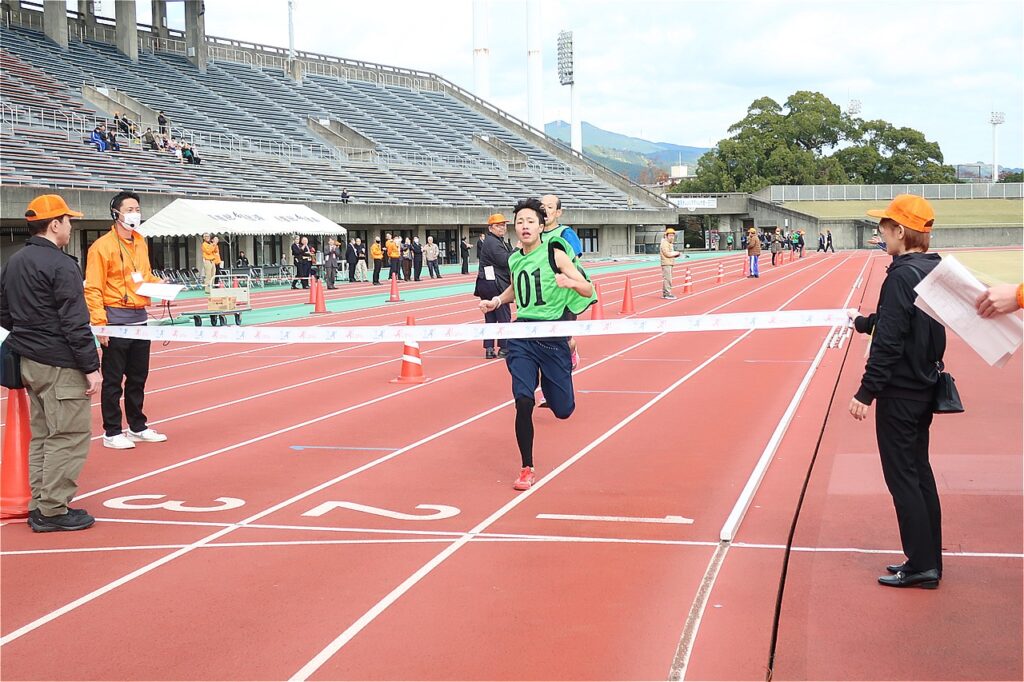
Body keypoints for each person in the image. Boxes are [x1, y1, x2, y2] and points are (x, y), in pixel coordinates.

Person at [849, 194, 945, 589]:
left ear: (900, 231)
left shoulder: (901, 276)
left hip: (900, 391)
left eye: (884, 228)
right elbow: (909, 323)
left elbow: (889, 341)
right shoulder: (933, 269)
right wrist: (864, 322)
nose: (881, 234)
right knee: (919, 474)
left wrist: (865, 392)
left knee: (903, 478)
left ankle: (921, 565)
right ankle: (927, 558)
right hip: (923, 386)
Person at [0, 195, 102, 532]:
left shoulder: (14, 262)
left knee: (43, 435)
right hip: (60, 362)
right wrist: (91, 367)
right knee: (68, 435)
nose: (71, 227)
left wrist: (29, 334)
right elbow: (75, 322)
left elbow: (3, 312)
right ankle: (53, 510)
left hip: (29, 359)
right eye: (68, 221)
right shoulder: (62, 265)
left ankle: (40, 503)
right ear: (55, 224)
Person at [479, 198, 595, 491]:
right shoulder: (515, 258)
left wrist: (571, 283)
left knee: (563, 409)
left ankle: (564, 359)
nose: (525, 226)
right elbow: (515, 288)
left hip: (553, 337)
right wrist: (497, 301)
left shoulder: (556, 254)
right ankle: (526, 467)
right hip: (522, 335)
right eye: (520, 222)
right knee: (523, 400)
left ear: (542, 226)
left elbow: (588, 288)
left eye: (531, 221)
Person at [84, 191, 168, 450]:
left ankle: (137, 426)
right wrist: (100, 324)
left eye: (137, 209)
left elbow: (144, 277)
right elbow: (93, 288)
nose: (135, 214)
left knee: (138, 377)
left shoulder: (140, 242)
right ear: (116, 213)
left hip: (139, 319)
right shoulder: (102, 247)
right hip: (116, 320)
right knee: (113, 380)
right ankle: (112, 431)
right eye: (130, 209)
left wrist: (160, 285)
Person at [540, 194, 585, 369]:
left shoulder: (566, 233)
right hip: (542, 296)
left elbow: (573, 261)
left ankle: (571, 349)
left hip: (563, 296)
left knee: (563, 340)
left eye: (550, 207)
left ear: (558, 212)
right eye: (542, 206)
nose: (545, 210)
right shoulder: (534, 234)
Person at [475, 214, 513, 359]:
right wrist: (517, 249)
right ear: (490, 228)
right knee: (503, 315)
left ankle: (489, 348)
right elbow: (505, 260)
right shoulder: (492, 242)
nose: (502, 228)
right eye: (498, 225)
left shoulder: (496, 241)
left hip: (487, 282)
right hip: (494, 283)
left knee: (490, 317)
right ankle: (504, 347)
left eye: (504, 225)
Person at [660, 227, 682, 298]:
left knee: (668, 278)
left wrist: (676, 254)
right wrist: (676, 253)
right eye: (670, 235)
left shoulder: (669, 243)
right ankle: (667, 293)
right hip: (666, 263)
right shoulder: (665, 243)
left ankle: (666, 293)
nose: (672, 237)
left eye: (673, 235)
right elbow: (667, 254)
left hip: (670, 263)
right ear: (666, 236)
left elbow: (670, 253)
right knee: (668, 279)